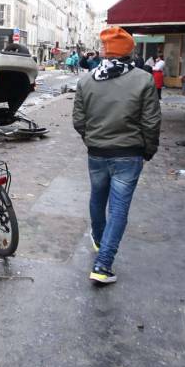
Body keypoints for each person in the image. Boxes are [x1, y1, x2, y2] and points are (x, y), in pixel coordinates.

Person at [73, 27, 162, 285]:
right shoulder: (143, 80)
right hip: (128, 153)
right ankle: (102, 264)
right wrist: (148, 149)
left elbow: (79, 120)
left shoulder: (87, 80)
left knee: (98, 198)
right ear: (129, 52)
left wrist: (92, 139)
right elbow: (151, 122)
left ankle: (101, 242)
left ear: (105, 51)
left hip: (97, 152)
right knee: (119, 208)